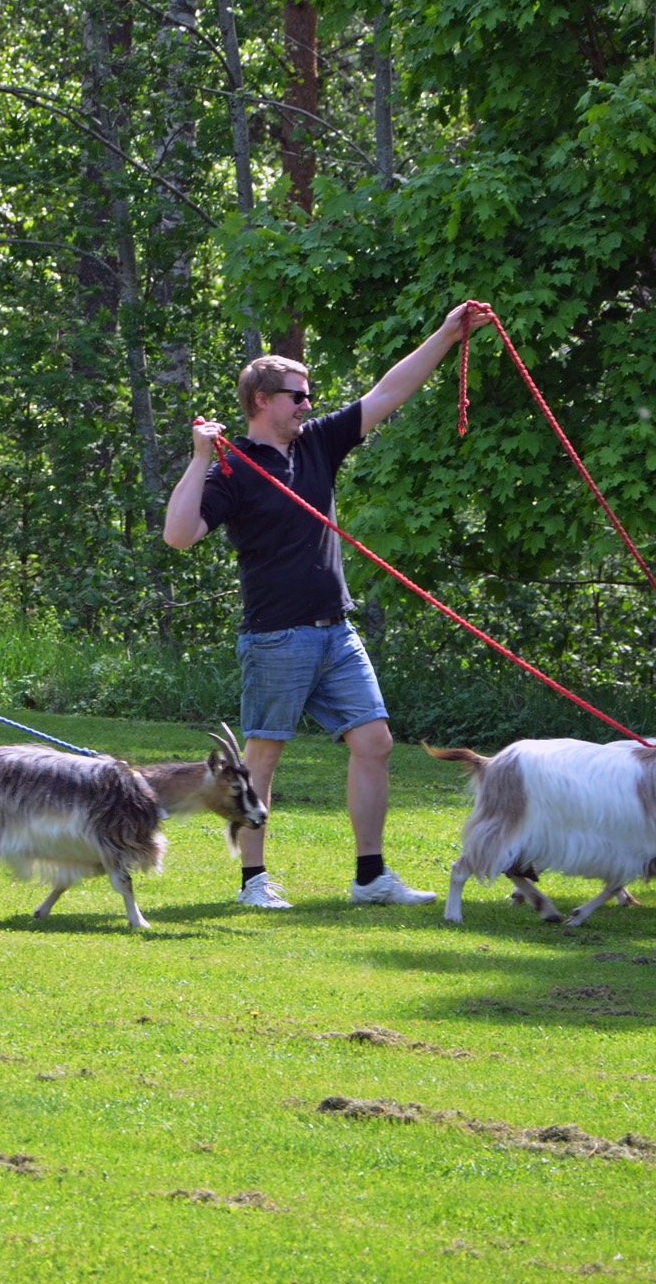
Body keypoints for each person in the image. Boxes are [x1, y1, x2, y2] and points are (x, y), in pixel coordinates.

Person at [162, 303, 487, 908]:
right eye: (296, 395)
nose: (308, 404)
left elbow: (390, 391)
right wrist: (201, 456)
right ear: (261, 400)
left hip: (335, 631)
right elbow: (179, 536)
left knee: (376, 743)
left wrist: (447, 333)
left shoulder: (317, 445)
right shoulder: (232, 469)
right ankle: (253, 883)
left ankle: (370, 879)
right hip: (276, 636)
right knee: (261, 758)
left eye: (308, 395)